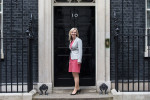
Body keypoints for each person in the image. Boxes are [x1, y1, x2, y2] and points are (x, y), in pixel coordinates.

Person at [68, 28, 83, 95]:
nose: (73, 33)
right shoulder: (71, 40)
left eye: (75, 32)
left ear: (76, 33)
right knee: (74, 75)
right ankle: (78, 88)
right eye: (72, 32)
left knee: (76, 75)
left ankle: (75, 89)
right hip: (72, 59)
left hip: (76, 59)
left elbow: (80, 51)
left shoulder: (78, 40)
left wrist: (79, 60)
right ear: (70, 33)